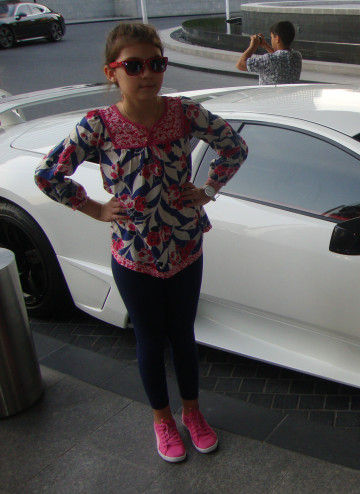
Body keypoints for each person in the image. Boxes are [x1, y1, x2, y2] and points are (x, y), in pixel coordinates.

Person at [34, 22, 248, 463]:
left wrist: (208, 189)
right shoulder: (98, 125)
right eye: (134, 66)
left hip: (185, 245)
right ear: (112, 72)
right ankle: (162, 420)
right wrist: (93, 208)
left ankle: (193, 413)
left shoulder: (184, 113)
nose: (147, 73)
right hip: (133, 253)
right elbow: (48, 174)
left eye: (156, 63)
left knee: (183, 335)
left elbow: (234, 147)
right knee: (149, 339)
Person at [235, 20, 302, 85]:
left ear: (277, 38)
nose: (271, 40)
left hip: (269, 93)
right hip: (289, 92)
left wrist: (253, 46)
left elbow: (240, 65)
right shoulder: (297, 56)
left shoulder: (269, 60)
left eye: (271, 37)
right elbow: (280, 57)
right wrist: (265, 45)